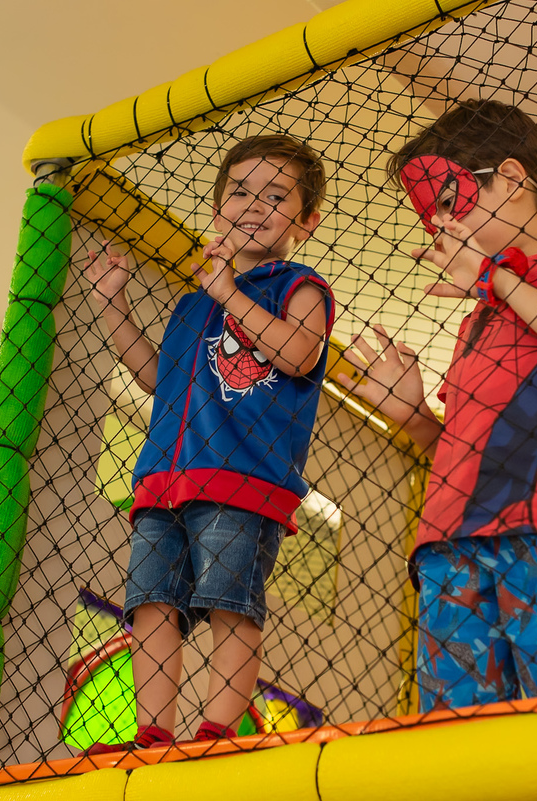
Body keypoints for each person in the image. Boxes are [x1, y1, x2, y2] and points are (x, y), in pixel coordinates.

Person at [339, 99, 537, 711]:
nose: (437, 228)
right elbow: (459, 454)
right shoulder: (477, 322)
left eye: (448, 202)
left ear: (511, 181)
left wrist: (499, 280)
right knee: (460, 743)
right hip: (450, 549)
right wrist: (410, 413)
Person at [84, 134, 333, 751]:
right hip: (165, 476)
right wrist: (112, 305)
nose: (253, 204)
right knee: (150, 602)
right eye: (239, 191)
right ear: (219, 206)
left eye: (275, 196)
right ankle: (152, 731)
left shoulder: (297, 286)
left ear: (306, 221)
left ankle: (218, 730)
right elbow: (156, 379)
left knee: (230, 603)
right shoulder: (193, 304)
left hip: (241, 479)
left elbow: (298, 355)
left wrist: (228, 291)